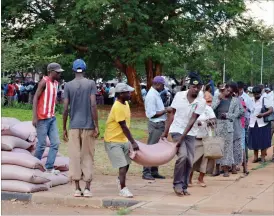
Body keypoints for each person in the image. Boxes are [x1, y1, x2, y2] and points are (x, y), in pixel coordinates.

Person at [162, 72, 206, 196]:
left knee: (190, 160)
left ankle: (184, 186)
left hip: (190, 133)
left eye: (198, 87)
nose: (196, 89)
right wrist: (165, 132)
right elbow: (172, 113)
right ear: (189, 86)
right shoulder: (179, 96)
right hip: (176, 129)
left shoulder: (201, 101)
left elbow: (193, 120)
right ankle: (177, 184)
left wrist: (183, 137)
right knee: (182, 156)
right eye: (194, 86)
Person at [63, 59, 99, 197]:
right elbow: (93, 105)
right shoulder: (90, 84)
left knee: (75, 156)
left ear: (73, 70)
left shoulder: (68, 85)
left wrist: (64, 127)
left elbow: (65, 108)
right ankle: (88, 188)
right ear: (84, 70)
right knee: (88, 155)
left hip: (73, 126)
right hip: (88, 125)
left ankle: (77, 188)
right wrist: (96, 125)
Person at [104, 83, 139, 198]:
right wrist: (133, 142)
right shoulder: (117, 107)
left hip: (123, 139)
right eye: (127, 92)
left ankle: (120, 179)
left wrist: (129, 140)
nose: (130, 94)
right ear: (120, 94)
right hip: (113, 140)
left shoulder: (126, 103)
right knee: (123, 165)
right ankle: (123, 189)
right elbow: (123, 126)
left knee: (127, 163)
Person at [32, 62, 64, 174]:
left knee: (55, 143)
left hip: (52, 118)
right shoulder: (43, 82)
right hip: (42, 118)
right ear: (51, 72)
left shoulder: (56, 83)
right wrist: (34, 116)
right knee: (41, 145)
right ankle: (35, 166)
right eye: (58, 72)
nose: (59, 74)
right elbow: (35, 98)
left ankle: (49, 167)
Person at [212, 83, 242, 177]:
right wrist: (219, 99)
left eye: (230, 91)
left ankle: (226, 169)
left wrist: (227, 115)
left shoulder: (235, 100)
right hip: (218, 124)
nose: (227, 92)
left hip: (229, 125)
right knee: (217, 146)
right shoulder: (217, 97)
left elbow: (237, 113)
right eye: (226, 90)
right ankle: (217, 168)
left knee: (228, 148)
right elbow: (211, 109)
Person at [143, 76, 167, 180]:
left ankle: (154, 171)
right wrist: (165, 110)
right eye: (162, 85)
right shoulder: (151, 95)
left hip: (159, 124)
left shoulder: (156, 94)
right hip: (155, 124)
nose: (163, 87)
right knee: (151, 149)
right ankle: (146, 172)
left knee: (157, 149)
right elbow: (151, 114)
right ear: (157, 84)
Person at [189, 97, 216, 187]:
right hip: (194, 137)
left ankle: (201, 179)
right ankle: (189, 179)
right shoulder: (192, 107)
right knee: (193, 159)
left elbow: (214, 120)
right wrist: (197, 123)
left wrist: (208, 122)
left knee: (205, 159)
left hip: (206, 137)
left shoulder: (208, 109)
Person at [248, 86, 273, 163]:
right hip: (253, 123)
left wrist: (263, 114)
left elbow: (271, 109)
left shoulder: (264, 99)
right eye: (254, 94)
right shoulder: (251, 100)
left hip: (263, 124)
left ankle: (262, 157)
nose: (256, 96)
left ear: (260, 93)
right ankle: (255, 157)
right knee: (254, 140)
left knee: (263, 140)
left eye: (257, 94)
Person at [231, 84, 245, 174]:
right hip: (227, 126)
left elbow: (242, 112)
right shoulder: (224, 100)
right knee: (228, 147)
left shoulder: (239, 100)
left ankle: (237, 165)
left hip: (237, 126)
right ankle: (229, 166)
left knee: (238, 147)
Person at [238, 81, 253, 163]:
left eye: (239, 89)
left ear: (242, 89)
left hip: (245, 120)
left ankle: (245, 159)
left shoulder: (246, 97)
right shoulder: (234, 96)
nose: (238, 91)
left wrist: (245, 108)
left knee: (244, 139)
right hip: (236, 121)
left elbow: (251, 110)